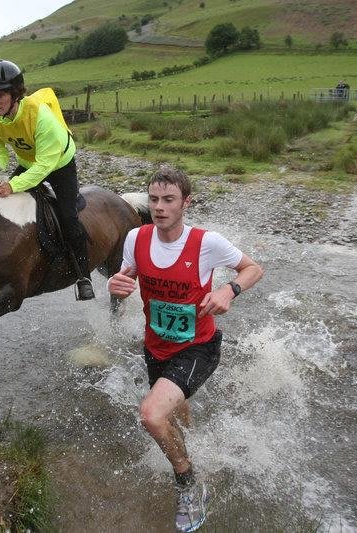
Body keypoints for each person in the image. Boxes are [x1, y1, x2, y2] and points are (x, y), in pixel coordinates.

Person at [108, 166, 263, 532]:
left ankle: (190, 484)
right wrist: (119, 282)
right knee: (173, 412)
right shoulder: (136, 237)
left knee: (151, 414)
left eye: (169, 200)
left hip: (199, 347)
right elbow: (128, 273)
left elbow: (253, 268)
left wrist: (229, 290)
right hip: (155, 345)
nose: (159, 207)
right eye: (154, 199)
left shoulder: (206, 243)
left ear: (186, 203)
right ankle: (189, 446)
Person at [0, 59, 95, 301]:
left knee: (68, 215)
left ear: (15, 94)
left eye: (0, 95)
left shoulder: (40, 116)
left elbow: (45, 166)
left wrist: (13, 185)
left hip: (59, 163)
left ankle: (84, 277)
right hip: (29, 161)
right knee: (4, 203)